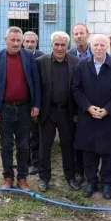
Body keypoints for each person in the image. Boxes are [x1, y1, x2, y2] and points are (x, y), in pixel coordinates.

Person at [73, 34, 111, 200]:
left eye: (102, 46)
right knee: (89, 153)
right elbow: (76, 89)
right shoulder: (82, 65)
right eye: (95, 45)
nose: (98, 48)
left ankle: (106, 184)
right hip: (88, 116)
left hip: (108, 117)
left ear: (108, 47)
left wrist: (108, 109)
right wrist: (88, 107)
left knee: (108, 154)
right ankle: (91, 182)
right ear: (91, 47)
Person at [0, 26, 41, 190]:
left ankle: (22, 178)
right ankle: (8, 178)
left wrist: (36, 104)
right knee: (6, 145)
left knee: (23, 145)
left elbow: (35, 81)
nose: (16, 43)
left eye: (19, 40)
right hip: (4, 108)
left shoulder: (28, 56)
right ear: (6, 41)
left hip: (25, 108)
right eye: (13, 40)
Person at [36, 31, 83, 192]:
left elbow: (79, 89)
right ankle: (44, 177)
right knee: (45, 146)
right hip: (47, 112)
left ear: (67, 46)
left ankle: (70, 177)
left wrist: (77, 112)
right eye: (57, 44)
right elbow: (36, 88)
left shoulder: (76, 63)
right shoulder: (41, 62)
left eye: (63, 45)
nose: (60, 48)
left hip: (67, 112)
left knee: (68, 146)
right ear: (51, 45)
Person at [22, 30, 43, 175]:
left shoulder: (42, 58)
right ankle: (24, 160)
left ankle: (36, 162)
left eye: (32, 42)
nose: (30, 44)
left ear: (37, 43)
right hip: (21, 102)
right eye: (27, 41)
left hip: (36, 101)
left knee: (35, 135)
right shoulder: (18, 55)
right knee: (22, 134)